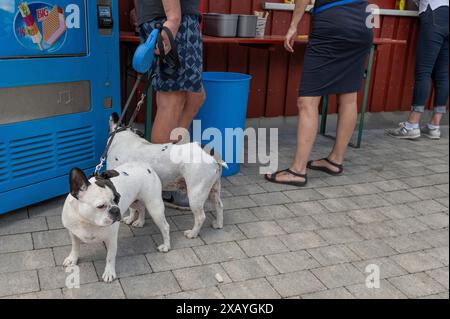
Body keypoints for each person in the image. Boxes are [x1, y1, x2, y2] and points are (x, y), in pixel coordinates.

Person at [265, 0, 373, 187]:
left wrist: (293, 25)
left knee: (308, 101)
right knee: (349, 97)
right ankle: (335, 160)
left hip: (333, 25)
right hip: (363, 22)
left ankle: (297, 171)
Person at [135, 0, 204, 207]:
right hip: (172, 20)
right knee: (171, 102)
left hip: (169, 17)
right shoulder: (173, 18)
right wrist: (173, 17)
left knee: (195, 95)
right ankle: (161, 186)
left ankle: (172, 156)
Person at [387, 0, 449, 140]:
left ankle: (412, 125)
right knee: (442, 74)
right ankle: (434, 126)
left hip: (434, 13)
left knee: (423, 72)